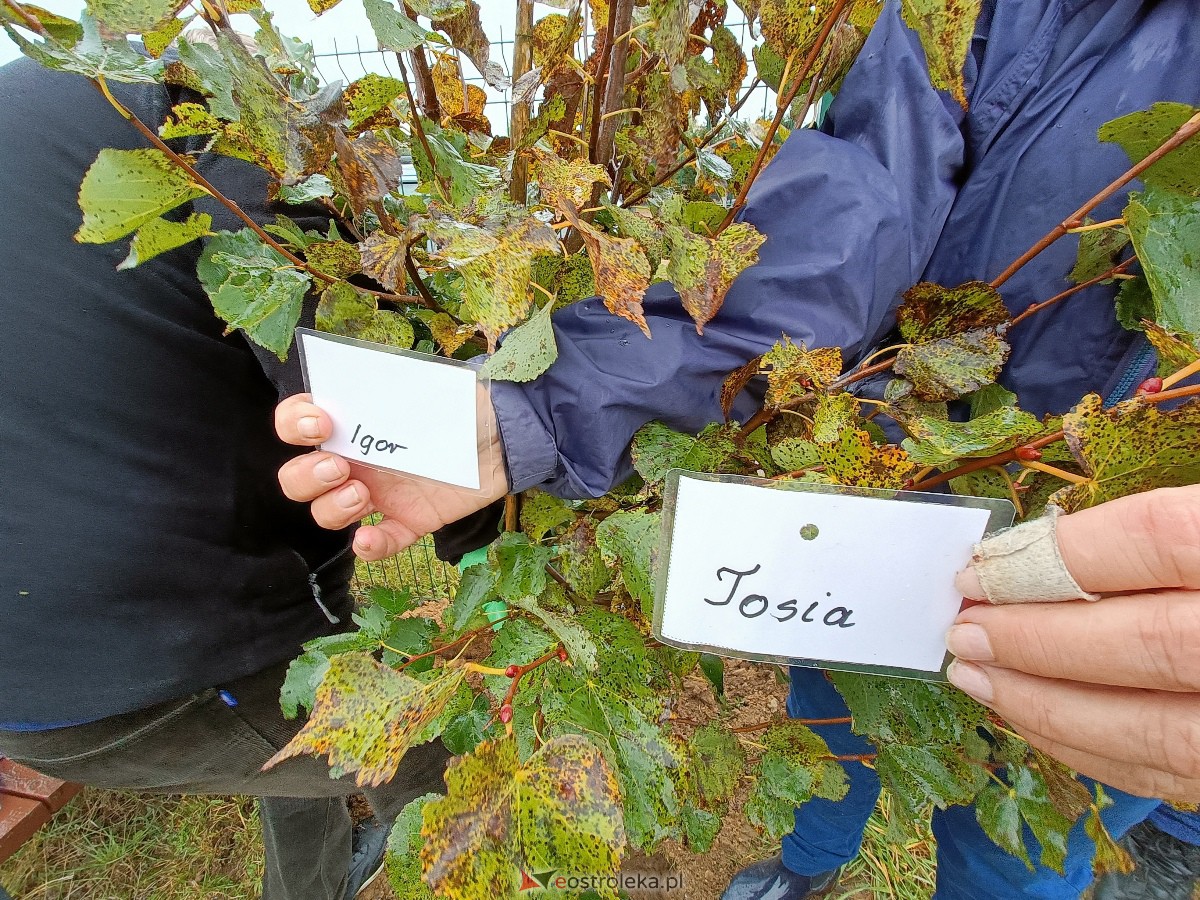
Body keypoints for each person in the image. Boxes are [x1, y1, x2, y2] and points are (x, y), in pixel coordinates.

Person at [276, 0, 1200, 897]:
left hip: (1131, 600)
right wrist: (534, 415)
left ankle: (1144, 846)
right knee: (832, 715)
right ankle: (814, 859)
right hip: (872, 507)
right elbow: (846, 223)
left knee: (1029, 827)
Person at [0, 56, 457, 900]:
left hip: (56, 617)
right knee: (444, 753)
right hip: (122, 646)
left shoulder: (52, 100)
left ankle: (312, 886)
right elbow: (380, 414)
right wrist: (501, 520)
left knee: (292, 713)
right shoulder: (237, 149)